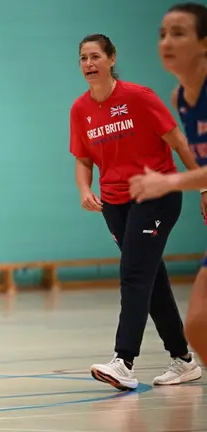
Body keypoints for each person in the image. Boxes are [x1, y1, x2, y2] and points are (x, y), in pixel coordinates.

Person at [69, 33, 202, 391]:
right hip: (115, 204)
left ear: (112, 59)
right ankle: (183, 359)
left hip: (157, 196)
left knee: (133, 273)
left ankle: (124, 360)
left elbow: (178, 141)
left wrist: (202, 184)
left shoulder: (139, 98)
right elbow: (83, 159)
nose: (89, 64)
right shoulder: (80, 110)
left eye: (96, 56)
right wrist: (85, 189)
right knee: (150, 277)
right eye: (83, 58)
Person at [129, 2, 207, 369]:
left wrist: (169, 182)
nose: (166, 42)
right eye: (162, 34)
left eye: (178, 33)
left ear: (204, 42)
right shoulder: (180, 98)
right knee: (198, 327)